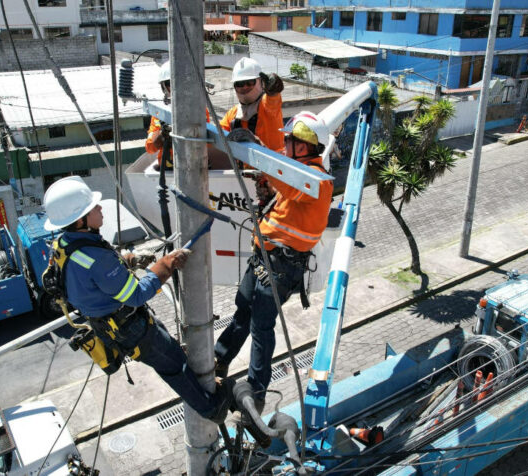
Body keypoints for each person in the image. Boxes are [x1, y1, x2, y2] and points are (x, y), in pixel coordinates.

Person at [42, 176, 231, 423]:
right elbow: (136, 295)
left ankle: (199, 382)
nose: (100, 209)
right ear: (81, 221)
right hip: (130, 328)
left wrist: (129, 259)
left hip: (112, 323)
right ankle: (211, 409)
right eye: (93, 208)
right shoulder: (94, 259)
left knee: (171, 352)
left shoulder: (65, 244)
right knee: (173, 366)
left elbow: (93, 272)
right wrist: (166, 264)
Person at [214, 112, 334, 410]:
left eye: (290, 140)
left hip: (281, 266)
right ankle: (219, 359)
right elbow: (279, 174)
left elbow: (282, 175)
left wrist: (258, 150)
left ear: (304, 147)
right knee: (243, 309)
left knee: (261, 327)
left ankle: (256, 393)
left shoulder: (316, 180)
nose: (286, 145)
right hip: (265, 258)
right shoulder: (296, 169)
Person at [145, 62, 211, 169]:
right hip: (169, 170)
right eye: (170, 83)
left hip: (195, 170)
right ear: (164, 87)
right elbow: (150, 147)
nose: (176, 87)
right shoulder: (159, 113)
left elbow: (206, 143)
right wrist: (162, 135)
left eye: (181, 82)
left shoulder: (199, 110)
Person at [219, 58, 285, 152]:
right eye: (240, 84)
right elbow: (217, 134)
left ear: (260, 82)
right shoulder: (233, 114)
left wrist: (273, 91)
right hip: (243, 165)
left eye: (250, 82)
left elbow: (273, 100)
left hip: (274, 164)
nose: (245, 87)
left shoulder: (267, 104)